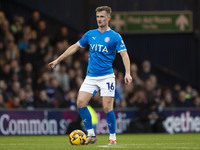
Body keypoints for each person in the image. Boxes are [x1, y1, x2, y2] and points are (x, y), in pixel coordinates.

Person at [48, 6, 132, 145]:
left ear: (108, 18)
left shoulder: (115, 37)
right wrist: (58, 59)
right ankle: (91, 134)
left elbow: (124, 54)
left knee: (107, 107)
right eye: (98, 17)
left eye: (102, 17)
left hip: (107, 77)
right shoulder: (90, 34)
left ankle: (112, 137)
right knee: (80, 102)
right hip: (91, 76)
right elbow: (75, 47)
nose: (99, 19)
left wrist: (128, 73)